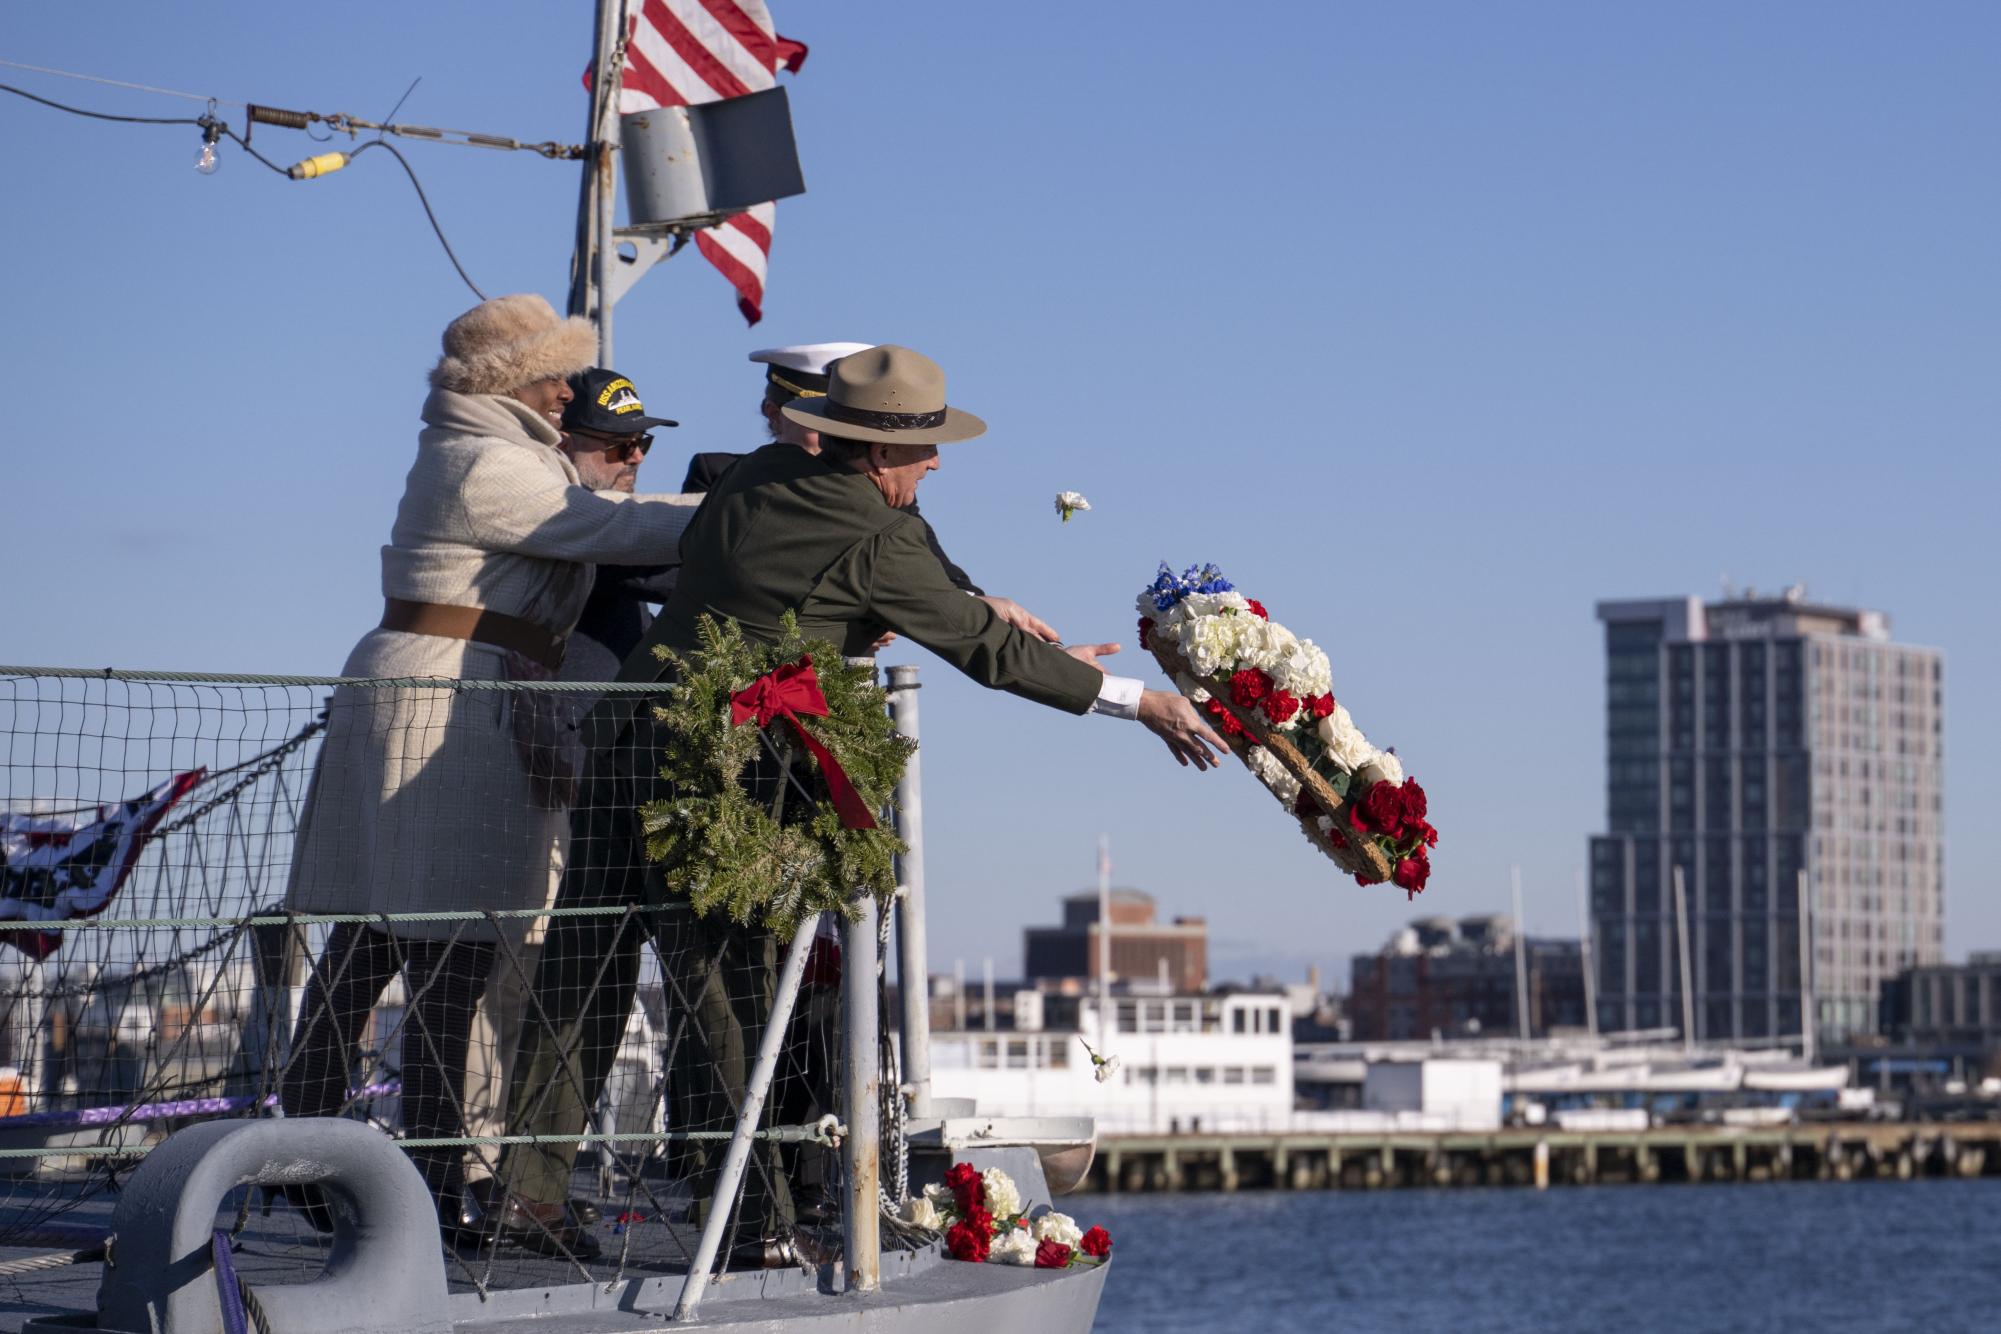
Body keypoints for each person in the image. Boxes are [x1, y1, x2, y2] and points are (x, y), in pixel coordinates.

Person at [493, 344, 1223, 1267]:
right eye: (923, 450)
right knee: (731, 996)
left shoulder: (755, 473)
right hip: (722, 771)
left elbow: (729, 565)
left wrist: (851, 612)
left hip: (629, 733)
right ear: (878, 454)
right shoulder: (878, 535)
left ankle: (526, 1193)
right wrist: (1141, 702)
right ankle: (751, 1228)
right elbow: (981, 651)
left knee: (582, 971)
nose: (937, 465)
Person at [278, 296, 701, 1246]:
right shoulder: (488, 463)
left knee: (386, 931)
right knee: (446, 947)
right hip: (448, 697)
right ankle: (423, 1187)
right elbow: (615, 530)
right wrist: (765, 511)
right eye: (557, 373)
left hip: (448, 688)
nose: (567, 388)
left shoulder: (482, 451)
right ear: (512, 380)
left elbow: (607, 521)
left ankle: (309, 1145)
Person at [458, 365, 680, 1216]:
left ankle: (511, 1179)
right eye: (615, 445)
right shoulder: (582, 532)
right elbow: (668, 565)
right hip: (542, 773)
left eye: (642, 445)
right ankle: (494, 1178)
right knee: (518, 976)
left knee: (554, 977)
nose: (632, 460)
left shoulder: (614, 530)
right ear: (564, 445)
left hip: (592, 781)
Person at [684, 344, 1058, 644]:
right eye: (828, 421)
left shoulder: (888, 498)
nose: (835, 436)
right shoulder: (735, 477)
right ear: (776, 414)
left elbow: (930, 575)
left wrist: (976, 604)